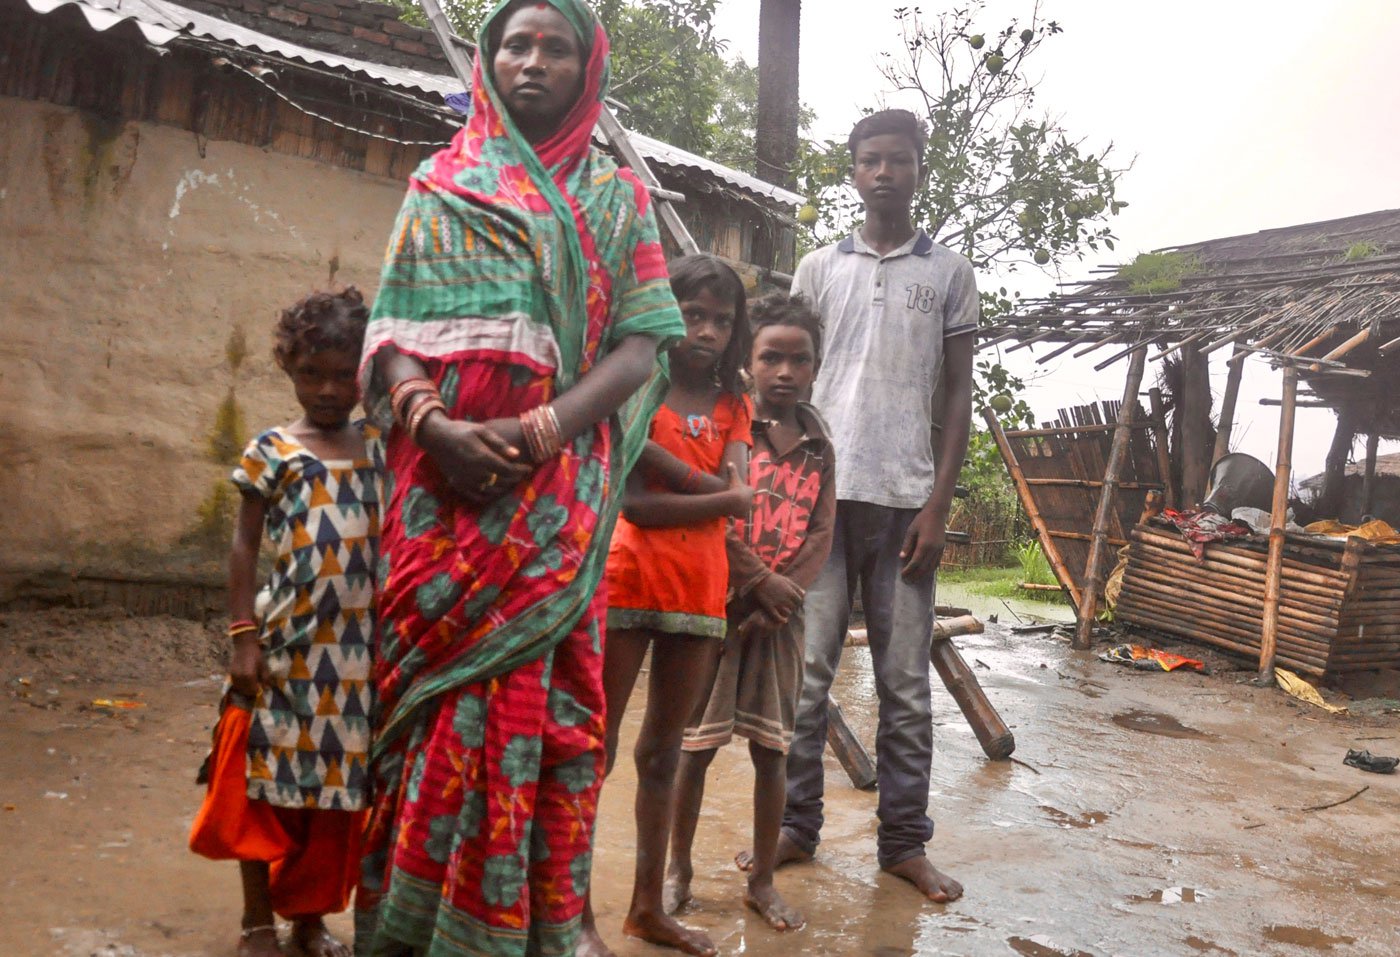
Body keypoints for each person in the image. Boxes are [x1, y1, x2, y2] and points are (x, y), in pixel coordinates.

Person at [352, 1, 686, 954]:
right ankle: (410, 931)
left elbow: (641, 341)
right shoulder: (438, 185)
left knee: (550, 721)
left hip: (554, 503)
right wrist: (437, 425)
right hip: (439, 502)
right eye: (516, 44)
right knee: (430, 714)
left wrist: (541, 430)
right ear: (490, 61)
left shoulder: (619, 199)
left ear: (588, 67)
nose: (533, 61)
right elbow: (391, 334)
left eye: (557, 47)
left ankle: (534, 928)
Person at [763, 108, 976, 902]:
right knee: (807, 674)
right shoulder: (819, 268)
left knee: (905, 685)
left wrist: (938, 503)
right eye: (870, 161)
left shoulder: (949, 274)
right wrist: (781, 484)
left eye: (899, 160)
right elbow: (786, 375)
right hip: (819, 498)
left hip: (904, 504)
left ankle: (903, 843)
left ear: (920, 168)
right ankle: (794, 826)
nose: (884, 173)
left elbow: (957, 394)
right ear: (852, 172)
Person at [190, 287, 383, 957]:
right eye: (311, 374)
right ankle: (256, 922)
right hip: (286, 650)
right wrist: (243, 638)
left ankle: (308, 920)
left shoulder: (383, 448)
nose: (328, 389)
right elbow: (244, 546)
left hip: (359, 659)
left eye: (343, 373)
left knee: (335, 798)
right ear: (288, 368)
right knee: (262, 784)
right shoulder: (271, 449)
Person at [578, 253, 754, 957]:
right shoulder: (638, 386)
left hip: (700, 589)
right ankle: (574, 916)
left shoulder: (735, 401)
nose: (706, 330)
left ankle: (645, 909)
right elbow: (638, 504)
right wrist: (722, 496)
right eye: (693, 313)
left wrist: (715, 493)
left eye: (721, 318)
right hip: (627, 577)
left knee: (663, 755)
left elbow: (734, 486)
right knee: (595, 751)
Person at [667, 294, 836, 934]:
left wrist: (784, 594)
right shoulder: (729, 426)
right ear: (750, 361)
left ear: (817, 368)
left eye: (800, 360)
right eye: (771, 356)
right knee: (696, 745)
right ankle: (678, 869)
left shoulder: (820, 443)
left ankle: (762, 879)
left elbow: (822, 530)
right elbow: (716, 514)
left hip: (780, 618)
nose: (785, 371)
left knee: (774, 749)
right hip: (718, 605)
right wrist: (758, 582)